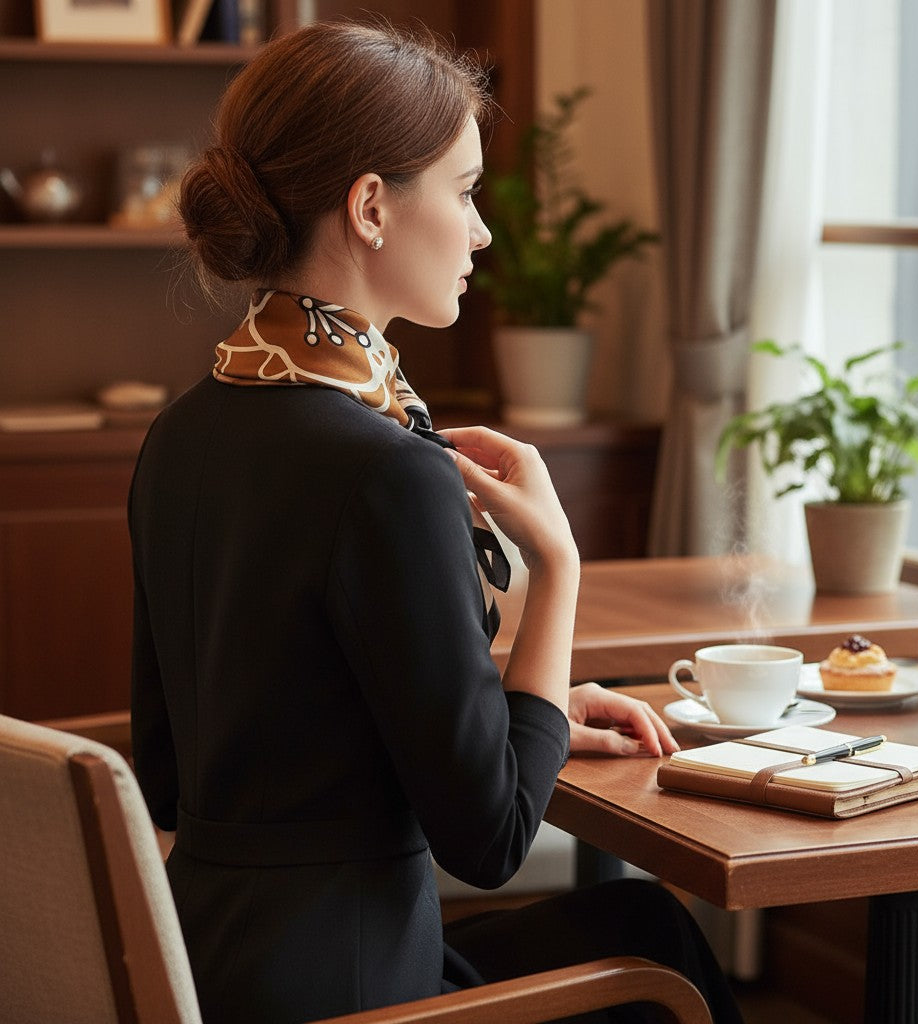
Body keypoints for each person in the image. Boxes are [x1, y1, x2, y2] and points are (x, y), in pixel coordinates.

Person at [129, 19, 744, 1024]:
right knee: (653, 953)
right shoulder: (386, 468)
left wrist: (525, 709)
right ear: (371, 206)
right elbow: (493, 839)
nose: (482, 232)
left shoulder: (183, 432)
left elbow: (171, 773)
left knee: (642, 924)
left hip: (207, 967)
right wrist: (557, 565)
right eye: (464, 192)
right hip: (363, 992)